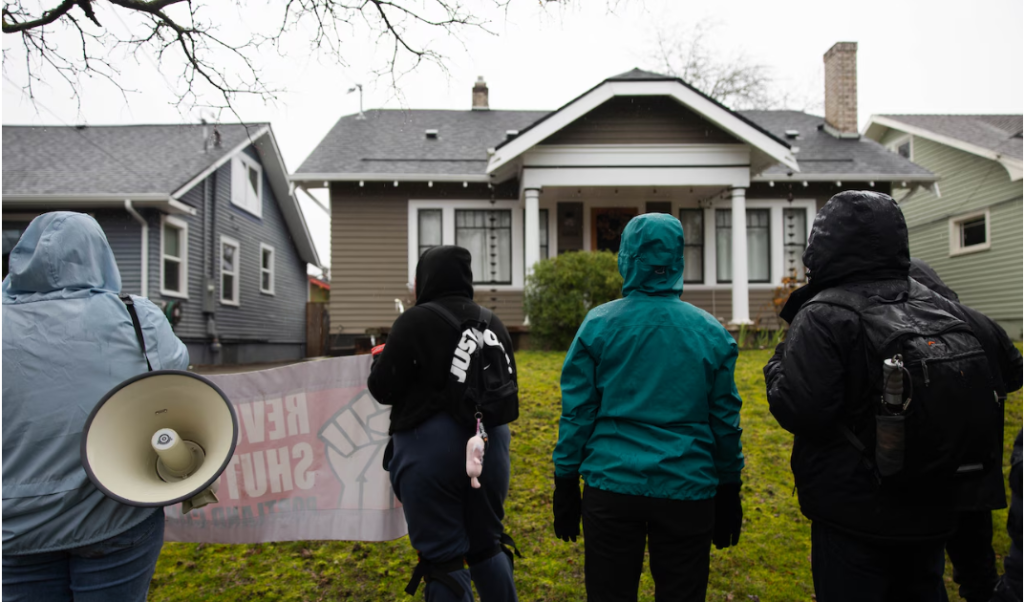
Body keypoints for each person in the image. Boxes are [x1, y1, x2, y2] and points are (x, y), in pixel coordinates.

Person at [764, 190, 999, 601]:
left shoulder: (823, 315)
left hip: (854, 513)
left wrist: (776, 365)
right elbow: (1008, 369)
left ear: (824, 244)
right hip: (934, 500)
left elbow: (802, 410)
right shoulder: (940, 304)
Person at [551, 213, 744, 602]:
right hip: (688, 488)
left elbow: (577, 413)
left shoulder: (598, 326)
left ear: (626, 257)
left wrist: (565, 480)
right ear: (678, 259)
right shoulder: (710, 333)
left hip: (612, 486)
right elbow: (724, 420)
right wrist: (729, 488)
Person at [2, 212, 189, 601]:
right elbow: (176, 375)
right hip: (115, 515)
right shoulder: (137, 316)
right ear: (101, 256)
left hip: (15, 528)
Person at [367, 245, 519, 602]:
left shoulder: (414, 321)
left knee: (443, 559)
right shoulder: (492, 322)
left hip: (431, 451)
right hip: (490, 449)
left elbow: (383, 388)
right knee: (487, 546)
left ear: (425, 280)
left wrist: (381, 360)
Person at [909, 258, 1023, 602]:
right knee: (977, 566)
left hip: (928, 467)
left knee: (922, 567)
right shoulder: (981, 322)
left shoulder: (906, 320)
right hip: (978, 462)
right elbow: (1016, 374)